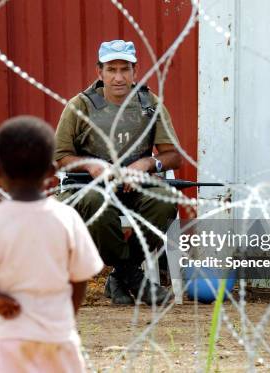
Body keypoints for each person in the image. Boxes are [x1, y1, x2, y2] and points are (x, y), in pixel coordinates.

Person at [0, 116, 103, 373]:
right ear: (51, 172)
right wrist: (67, 315)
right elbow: (80, 277)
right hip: (58, 333)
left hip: (10, 334)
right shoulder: (67, 218)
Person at [55, 40, 183, 305]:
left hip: (134, 186)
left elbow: (174, 156)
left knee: (165, 200)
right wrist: (90, 165)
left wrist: (146, 164)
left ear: (135, 71)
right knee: (95, 204)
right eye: (111, 69)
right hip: (88, 187)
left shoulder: (149, 104)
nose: (118, 77)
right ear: (99, 72)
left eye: (125, 69)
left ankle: (120, 275)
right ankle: (132, 276)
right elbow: (59, 158)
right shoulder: (80, 106)